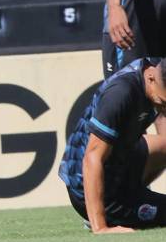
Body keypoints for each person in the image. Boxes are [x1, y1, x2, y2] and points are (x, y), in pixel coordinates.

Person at [59, 57, 166, 232]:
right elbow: (92, 157)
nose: (164, 109)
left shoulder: (154, 68)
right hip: (88, 188)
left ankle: (134, 196)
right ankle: (99, 217)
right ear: (151, 78)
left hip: (122, 163)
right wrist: (101, 229)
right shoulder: (121, 93)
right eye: (163, 103)